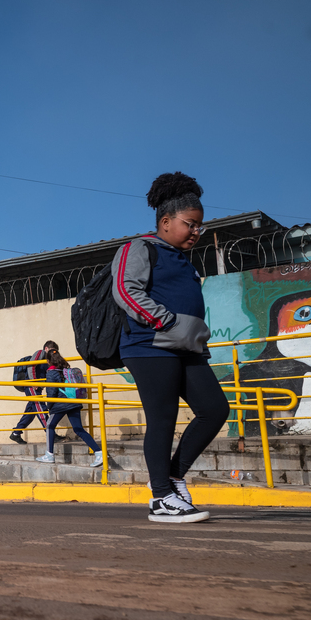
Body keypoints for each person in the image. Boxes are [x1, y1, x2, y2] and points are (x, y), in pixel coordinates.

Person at [110, 171, 229, 524]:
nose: (196, 232)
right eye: (190, 224)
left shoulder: (181, 259)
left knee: (214, 409)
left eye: (199, 227)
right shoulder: (139, 248)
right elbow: (125, 289)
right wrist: (165, 322)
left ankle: (173, 478)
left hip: (185, 347)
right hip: (149, 345)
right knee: (163, 418)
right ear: (165, 221)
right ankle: (161, 498)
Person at [34, 349, 102, 466]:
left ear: (48, 361)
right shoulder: (66, 369)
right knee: (78, 429)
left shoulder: (51, 372)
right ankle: (99, 453)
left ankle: (49, 455)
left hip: (60, 404)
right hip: (74, 402)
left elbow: (51, 392)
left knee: (49, 425)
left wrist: (49, 406)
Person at [10, 340, 60, 445]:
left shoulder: (47, 359)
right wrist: (33, 381)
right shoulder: (40, 353)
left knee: (31, 412)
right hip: (31, 386)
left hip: (37, 387)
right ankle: (50, 433)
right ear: (46, 348)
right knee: (41, 408)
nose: (52, 353)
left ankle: (16, 433)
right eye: (52, 350)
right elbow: (31, 365)